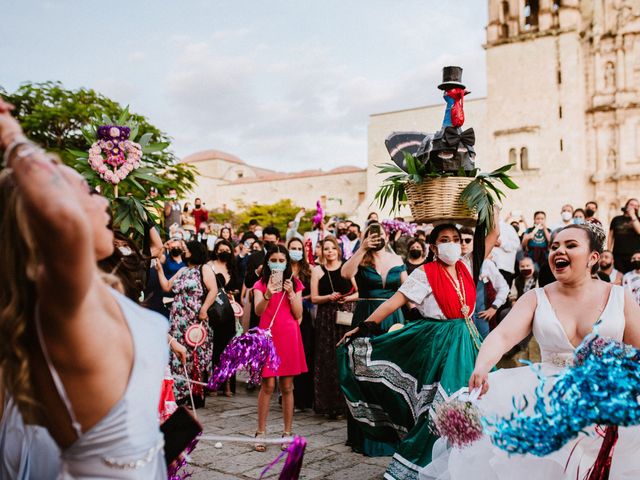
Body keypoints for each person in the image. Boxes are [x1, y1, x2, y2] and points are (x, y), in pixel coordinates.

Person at [0, 98, 169, 477]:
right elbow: (62, 219)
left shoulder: (94, 292)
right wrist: (10, 135)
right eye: (89, 194)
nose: (106, 203)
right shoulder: (62, 303)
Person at [424, 223, 640, 479]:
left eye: (571, 245)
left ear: (593, 257)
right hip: (546, 397)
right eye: (554, 246)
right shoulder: (536, 297)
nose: (559, 250)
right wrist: (481, 366)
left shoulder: (619, 296)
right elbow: (502, 336)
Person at [338, 222, 498, 479]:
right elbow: (395, 301)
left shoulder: (467, 265)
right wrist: (365, 326)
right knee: (442, 406)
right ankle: (426, 466)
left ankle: (468, 464)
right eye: (445, 239)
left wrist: (487, 198)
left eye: (456, 238)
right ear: (434, 246)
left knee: (478, 400)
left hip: (468, 339)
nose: (452, 243)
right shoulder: (425, 273)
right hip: (441, 344)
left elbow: (493, 233)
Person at [340, 222, 408, 457]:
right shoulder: (360, 259)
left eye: (379, 234)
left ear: (387, 236)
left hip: (393, 317)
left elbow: (407, 290)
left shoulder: (397, 258)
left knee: (391, 373)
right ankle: (365, 434)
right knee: (363, 371)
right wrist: (361, 248)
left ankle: (394, 432)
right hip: (366, 315)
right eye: (371, 234)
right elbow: (345, 274)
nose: (376, 238)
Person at [253, 246, 307, 452]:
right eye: (273, 259)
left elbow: (298, 313)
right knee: (266, 385)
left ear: (286, 263)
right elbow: (258, 311)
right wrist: (267, 294)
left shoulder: (295, 283)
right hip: (268, 335)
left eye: (281, 260)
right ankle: (261, 431)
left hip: (289, 334)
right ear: (267, 262)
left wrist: (291, 293)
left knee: (287, 386)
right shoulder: (260, 284)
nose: (277, 263)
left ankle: (287, 432)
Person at [156, 241, 218, 408]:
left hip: (195, 320)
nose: (184, 251)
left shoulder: (203, 268)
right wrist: (160, 270)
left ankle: (196, 395)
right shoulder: (183, 270)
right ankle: (180, 395)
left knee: (194, 357)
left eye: (187, 249)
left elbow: (213, 290)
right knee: (177, 358)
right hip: (177, 320)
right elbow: (167, 286)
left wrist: (204, 309)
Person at [311, 236, 359, 418]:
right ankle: (327, 404)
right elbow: (314, 297)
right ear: (322, 251)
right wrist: (328, 297)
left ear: (338, 250)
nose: (329, 251)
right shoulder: (317, 270)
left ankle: (346, 406)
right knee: (326, 359)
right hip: (325, 318)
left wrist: (347, 298)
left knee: (345, 358)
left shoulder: (347, 267)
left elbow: (359, 291)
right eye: (326, 248)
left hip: (346, 316)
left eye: (333, 248)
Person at [208, 240, 241, 397]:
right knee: (215, 348)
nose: (224, 252)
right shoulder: (209, 266)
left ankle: (227, 384)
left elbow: (239, 287)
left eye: (227, 250)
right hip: (214, 312)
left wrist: (233, 293)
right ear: (216, 251)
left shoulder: (233, 267)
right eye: (221, 250)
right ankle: (214, 383)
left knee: (229, 349)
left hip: (229, 313)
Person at [287, 237, 315, 412]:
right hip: (285, 315)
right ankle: (289, 394)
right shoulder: (283, 268)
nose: (296, 250)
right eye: (293, 247)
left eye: (299, 248)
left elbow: (314, 294)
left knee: (305, 355)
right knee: (289, 356)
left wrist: (299, 297)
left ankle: (305, 398)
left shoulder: (309, 270)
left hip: (304, 315)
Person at [608, 198, 640, 273]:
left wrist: (632, 215)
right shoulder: (616, 219)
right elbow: (610, 236)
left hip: (634, 256)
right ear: (626, 206)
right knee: (619, 275)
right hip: (618, 254)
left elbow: (639, 231)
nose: (634, 207)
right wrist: (609, 252)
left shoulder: (638, 219)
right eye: (632, 204)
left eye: (637, 206)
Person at [491, 219, 521, 287]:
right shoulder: (483, 227)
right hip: (488, 267)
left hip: (504, 267)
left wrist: (501, 244)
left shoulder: (508, 228)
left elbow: (516, 245)